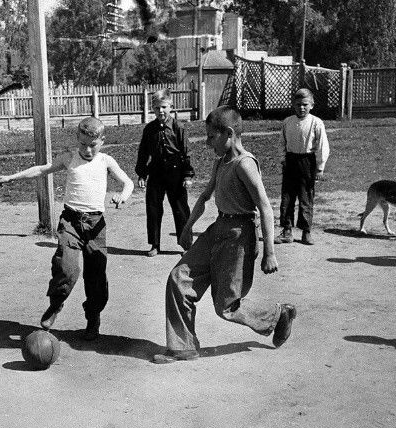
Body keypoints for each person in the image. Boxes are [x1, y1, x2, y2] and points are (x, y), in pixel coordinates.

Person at [153, 106, 295, 364]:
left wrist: (269, 252)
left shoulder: (245, 164)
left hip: (239, 237)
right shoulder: (221, 162)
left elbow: (264, 207)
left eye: (211, 136)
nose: (208, 143)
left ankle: (277, 315)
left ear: (229, 133)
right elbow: (205, 196)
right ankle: (183, 347)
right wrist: (187, 227)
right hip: (218, 228)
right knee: (178, 278)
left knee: (226, 306)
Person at [0, 117, 134, 340]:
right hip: (70, 221)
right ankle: (56, 303)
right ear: (77, 139)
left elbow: (128, 183)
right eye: (83, 144)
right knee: (66, 268)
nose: (87, 150)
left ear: (102, 141)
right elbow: (42, 169)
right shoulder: (69, 158)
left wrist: (122, 196)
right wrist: (12, 177)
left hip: (95, 226)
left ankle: (93, 317)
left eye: (93, 145)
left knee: (96, 275)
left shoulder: (106, 161)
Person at [135, 89, 194, 257]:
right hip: (156, 171)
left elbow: (186, 152)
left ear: (171, 107)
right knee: (153, 208)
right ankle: (155, 244)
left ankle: (186, 245)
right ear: (152, 109)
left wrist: (187, 175)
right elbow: (143, 153)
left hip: (176, 171)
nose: (160, 111)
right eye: (156, 108)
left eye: (164, 107)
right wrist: (142, 174)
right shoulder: (149, 129)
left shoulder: (178, 127)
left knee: (180, 208)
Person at [273, 88, 330, 246]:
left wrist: (320, 167)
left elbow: (322, 146)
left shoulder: (316, 122)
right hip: (291, 161)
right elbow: (281, 143)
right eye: (298, 104)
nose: (301, 108)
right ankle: (287, 230)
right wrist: (283, 159)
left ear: (312, 105)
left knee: (306, 198)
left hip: (307, 162)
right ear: (293, 105)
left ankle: (306, 231)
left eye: (305, 104)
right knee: (287, 197)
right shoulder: (288, 122)